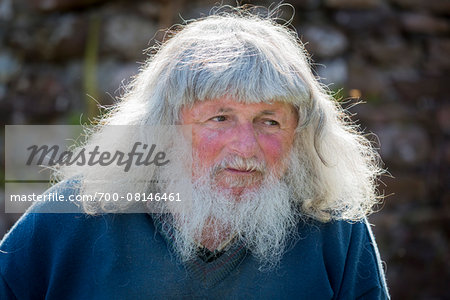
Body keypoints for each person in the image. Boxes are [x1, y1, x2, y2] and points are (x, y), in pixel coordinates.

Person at [0, 8, 390, 299]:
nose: (245, 146)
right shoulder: (73, 216)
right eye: (220, 117)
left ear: (300, 135)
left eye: (269, 121)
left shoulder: (333, 229)